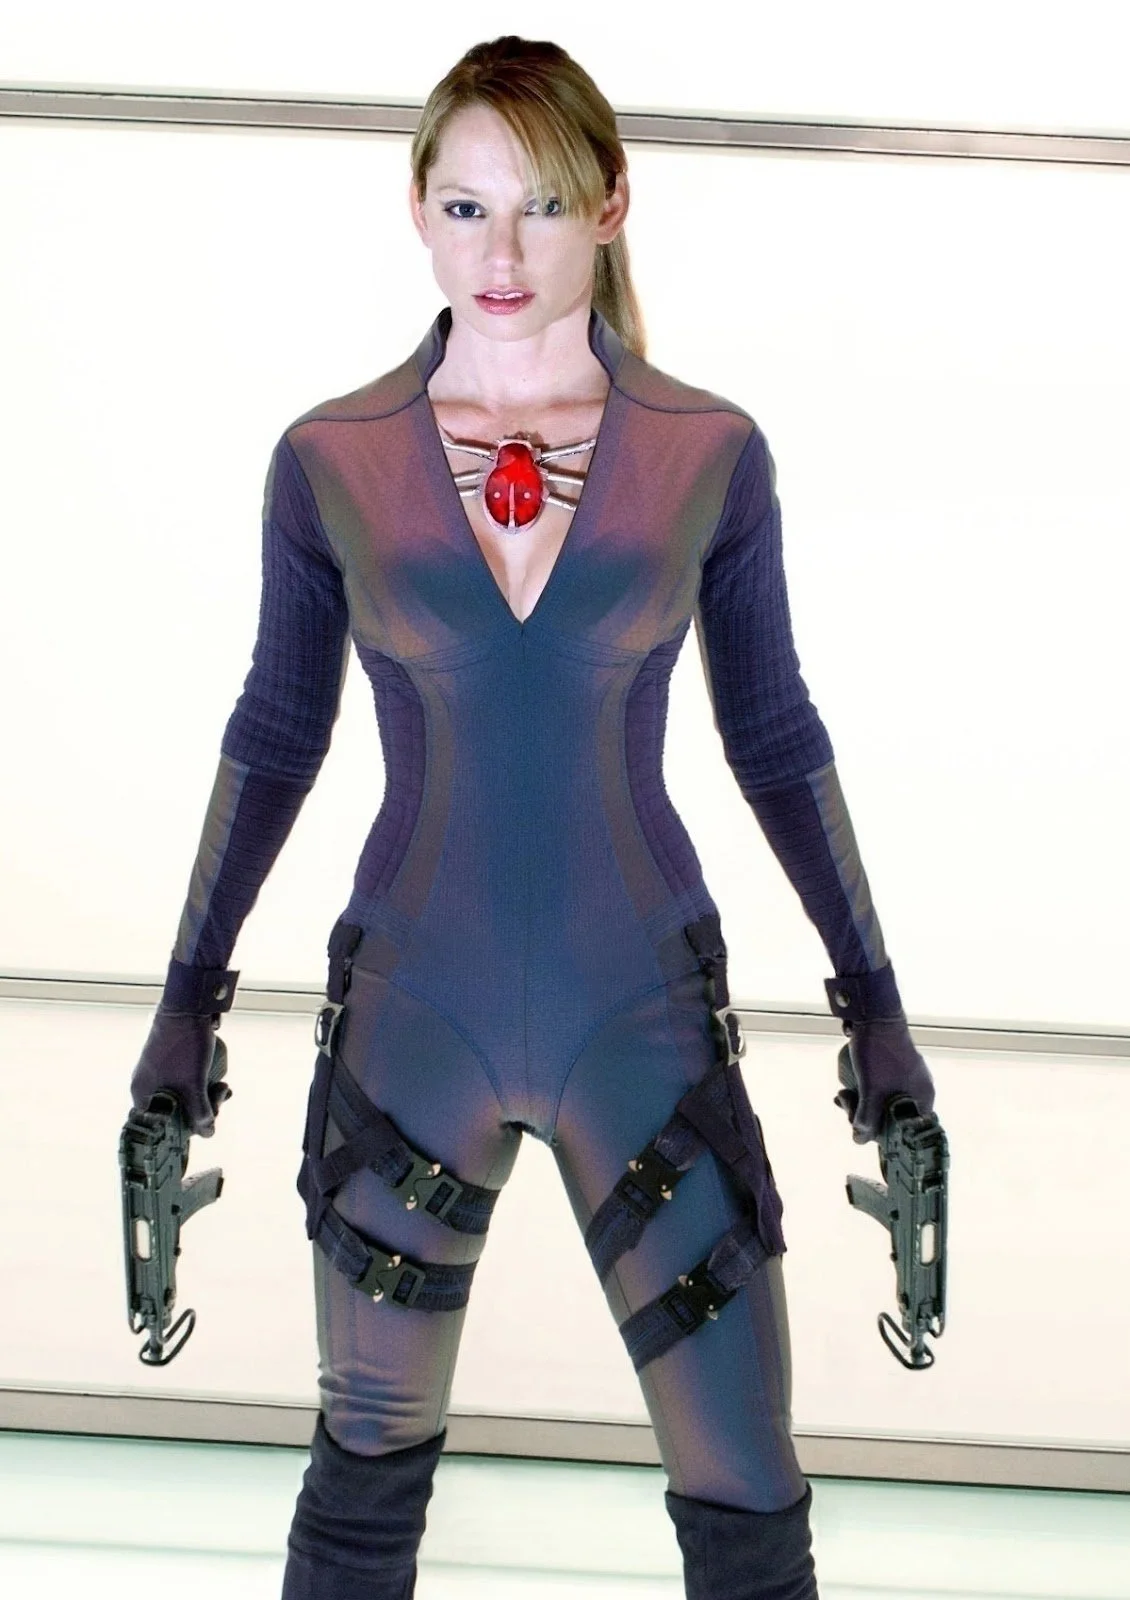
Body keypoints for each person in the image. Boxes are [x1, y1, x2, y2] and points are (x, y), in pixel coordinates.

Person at [130, 33, 936, 1600]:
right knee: (362, 1478)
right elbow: (276, 736)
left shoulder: (706, 451)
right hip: (407, 1020)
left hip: (639, 1014)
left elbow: (772, 737)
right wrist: (184, 1005)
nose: (501, 254)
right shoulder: (331, 458)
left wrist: (876, 1007)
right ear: (416, 212)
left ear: (611, 205)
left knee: (745, 1490)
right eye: (467, 207)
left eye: (543, 206)